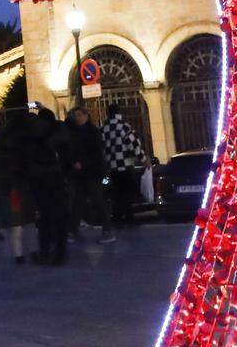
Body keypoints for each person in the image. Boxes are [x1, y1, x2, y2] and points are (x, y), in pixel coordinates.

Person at [0, 108, 37, 265]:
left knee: (14, 221)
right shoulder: (25, 140)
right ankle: (32, 250)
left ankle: (18, 254)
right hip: (22, 183)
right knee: (28, 218)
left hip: (7, 185)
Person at [26, 104, 69, 266]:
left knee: (44, 219)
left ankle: (45, 251)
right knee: (59, 219)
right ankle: (61, 253)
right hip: (57, 180)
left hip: (39, 181)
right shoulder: (58, 131)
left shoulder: (34, 134)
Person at [66, 107, 111, 242]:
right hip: (80, 173)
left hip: (93, 172)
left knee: (98, 200)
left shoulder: (93, 132)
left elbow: (96, 153)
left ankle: (107, 230)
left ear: (86, 115)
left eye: (80, 115)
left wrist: (82, 163)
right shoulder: (75, 132)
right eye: (76, 116)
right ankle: (73, 230)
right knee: (77, 202)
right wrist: (74, 162)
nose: (78, 118)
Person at [100, 107, 149, 228]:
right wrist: (143, 159)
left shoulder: (102, 129)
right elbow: (133, 145)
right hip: (125, 166)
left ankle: (119, 217)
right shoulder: (123, 126)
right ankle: (127, 218)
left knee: (117, 192)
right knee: (126, 192)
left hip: (110, 167)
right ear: (119, 114)